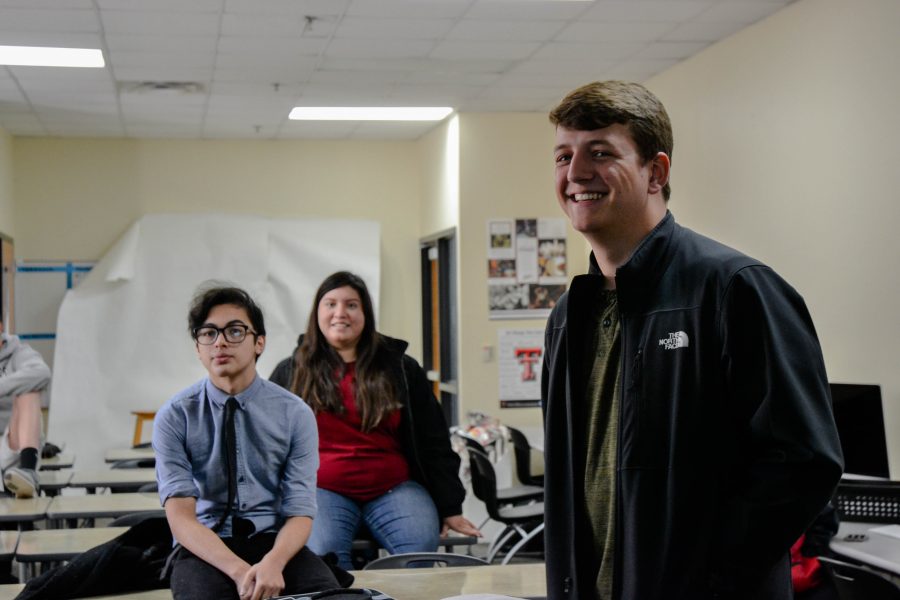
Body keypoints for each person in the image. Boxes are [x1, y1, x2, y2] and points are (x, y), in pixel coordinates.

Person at [541, 81, 843, 600]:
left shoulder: (735, 288)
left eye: (600, 153)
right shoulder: (570, 316)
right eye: (563, 156)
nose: (576, 174)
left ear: (656, 172)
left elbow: (804, 460)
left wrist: (711, 573)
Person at [270, 271, 480, 571]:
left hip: (394, 488)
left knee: (419, 552)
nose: (340, 313)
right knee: (325, 558)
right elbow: (267, 444)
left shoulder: (401, 369)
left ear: (365, 313)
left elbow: (433, 440)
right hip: (321, 489)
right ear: (317, 313)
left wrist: (449, 507)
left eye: (351, 305)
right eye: (330, 304)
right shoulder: (292, 371)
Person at [153, 285, 340, 600]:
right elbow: (181, 518)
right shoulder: (175, 416)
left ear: (259, 342)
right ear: (198, 348)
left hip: (276, 543)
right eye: (208, 333)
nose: (221, 342)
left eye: (235, 331)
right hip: (205, 545)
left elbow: (300, 511)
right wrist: (242, 572)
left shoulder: (295, 414)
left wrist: (272, 564)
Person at [0, 321, 50, 498]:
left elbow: (42, 373)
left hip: (14, 445)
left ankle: (28, 470)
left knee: (28, 389)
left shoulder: (20, 353)